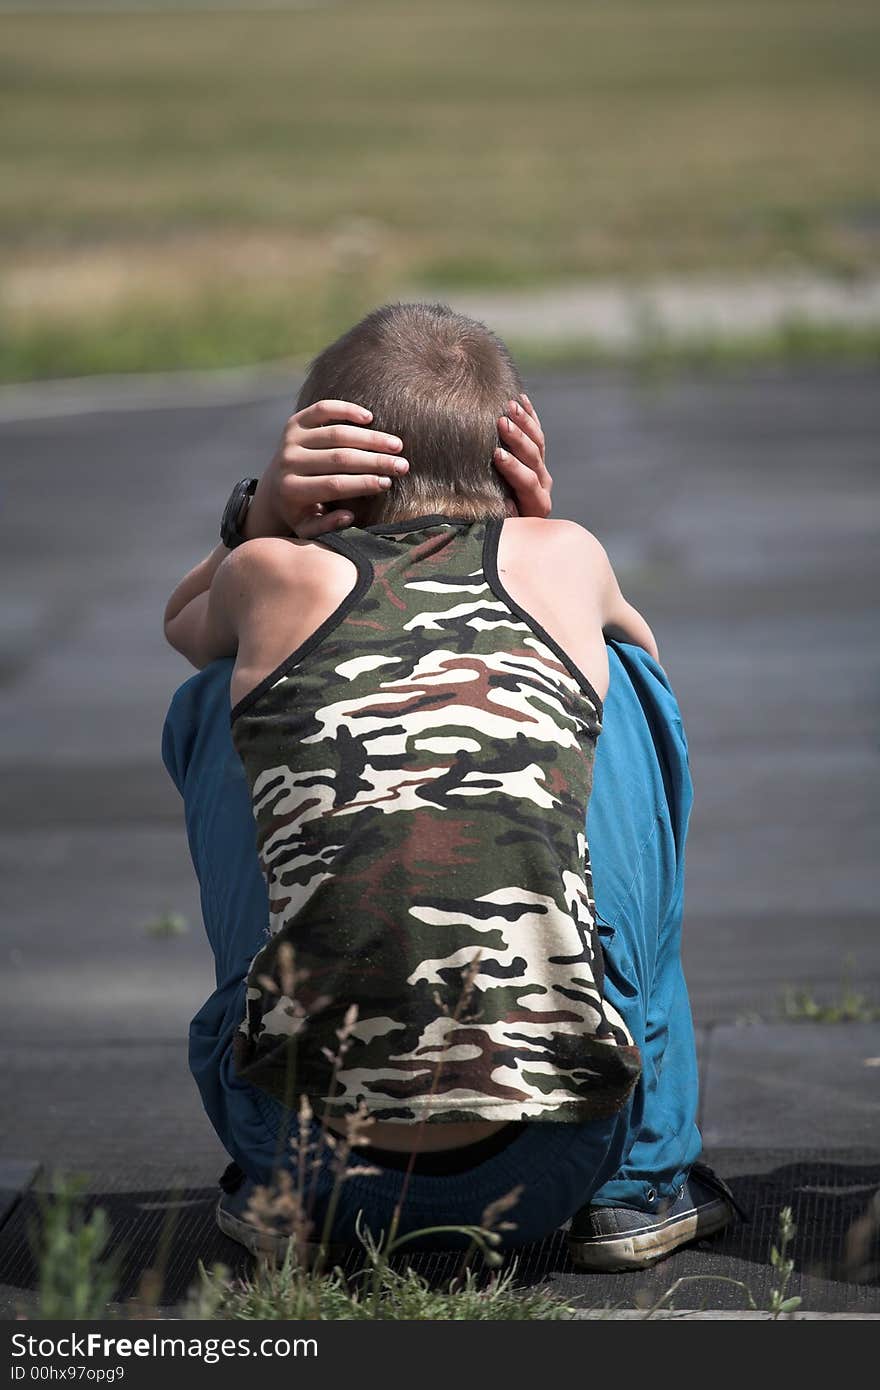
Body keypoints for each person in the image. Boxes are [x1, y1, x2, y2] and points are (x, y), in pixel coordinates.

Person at [161, 303, 739, 1270]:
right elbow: (636, 663)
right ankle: (640, 1185)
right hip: (558, 1153)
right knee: (623, 683)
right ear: (512, 451)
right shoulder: (566, 553)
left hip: (303, 1161)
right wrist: (537, 535)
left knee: (223, 688)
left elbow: (183, 619)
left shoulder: (268, 573)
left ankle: (269, 1157)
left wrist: (258, 515)